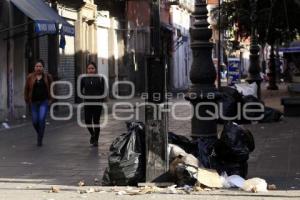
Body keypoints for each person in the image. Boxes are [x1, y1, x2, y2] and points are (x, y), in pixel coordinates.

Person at [24, 59, 53, 147]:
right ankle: (40, 133)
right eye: (37, 66)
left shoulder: (48, 77)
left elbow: (52, 88)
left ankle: (39, 139)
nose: (38, 68)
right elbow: (26, 89)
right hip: (33, 102)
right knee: (35, 121)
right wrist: (26, 99)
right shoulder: (30, 77)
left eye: (40, 66)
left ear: (43, 68)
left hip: (44, 101)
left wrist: (50, 99)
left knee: (41, 119)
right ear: (34, 68)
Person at [81, 62, 105, 147]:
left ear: (95, 69)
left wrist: (101, 101)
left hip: (97, 103)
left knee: (96, 121)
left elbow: (103, 91)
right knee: (87, 121)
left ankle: (96, 140)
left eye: (92, 68)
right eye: (89, 68)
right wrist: (85, 97)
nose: (91, 70)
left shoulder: (100, 78)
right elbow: (80, 90)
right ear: (87, 69)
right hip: (87, 103)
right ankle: (93, 134)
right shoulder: (83, 79)